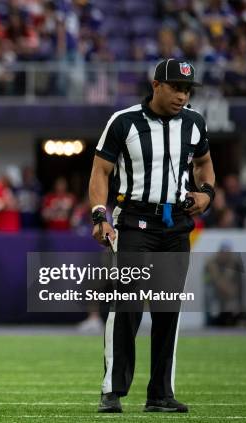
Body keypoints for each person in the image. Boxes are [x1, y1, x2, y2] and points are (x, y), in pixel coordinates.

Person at [89, 59, 216, 413]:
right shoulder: (124, 121)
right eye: (176, 87)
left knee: (167, 310)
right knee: (126, 305)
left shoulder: (194, 122)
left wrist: (206, 193)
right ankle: (112, 390)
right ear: (156, 84)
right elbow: (100, 171)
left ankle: (160, 394)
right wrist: (100, 214)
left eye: (187, 90)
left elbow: (205, 164)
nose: (182, 95)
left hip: (176, 223)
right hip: (133, 221)